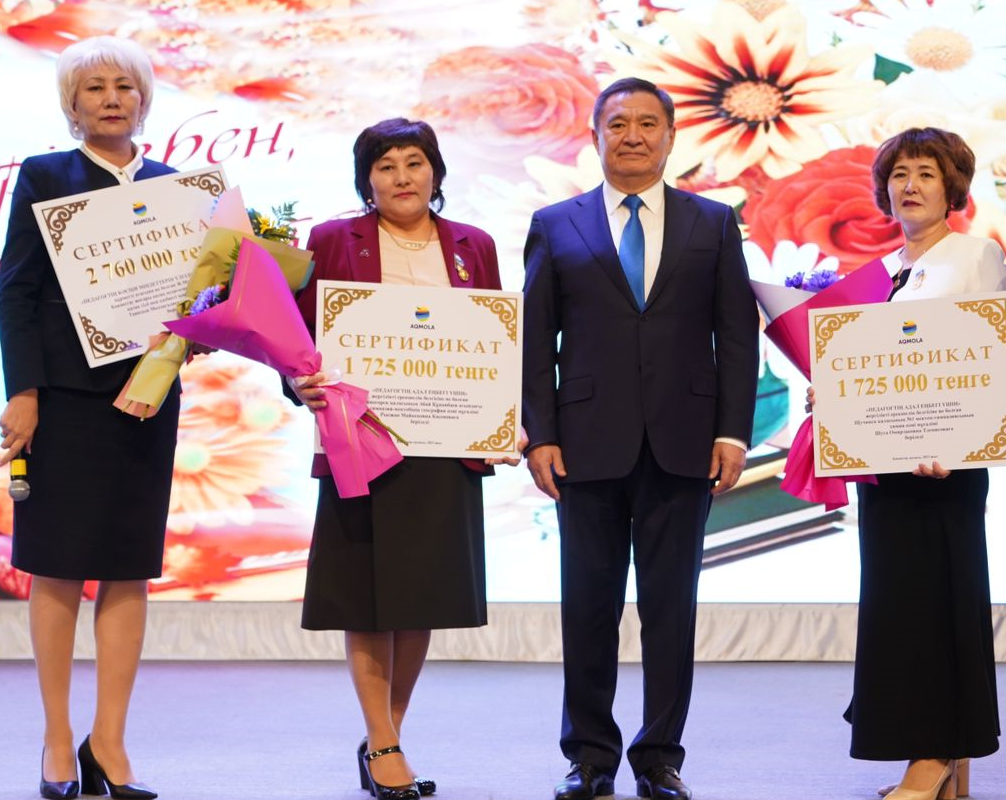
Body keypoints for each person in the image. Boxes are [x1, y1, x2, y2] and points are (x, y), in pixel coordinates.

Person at [521, 77, 759, 800]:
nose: (633, 135)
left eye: (648, 123)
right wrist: (538, 434)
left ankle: (659, 758)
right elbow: (534, 339)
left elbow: (736, 335)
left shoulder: (712, 222)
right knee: (587, 607)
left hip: (684, 442)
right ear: (594, 136)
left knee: (670, 609)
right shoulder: (554, 223)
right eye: (618, 123)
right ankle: (590, 757)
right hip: (583, 444)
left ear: (671, 136)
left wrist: (733, 431)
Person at [287, 117, 514, 800]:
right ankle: (384, 745)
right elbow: (298, 340)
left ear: (435, 172)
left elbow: (495, 343)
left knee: (420, 599)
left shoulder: (475, 245)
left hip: (446, 446)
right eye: (385, 166)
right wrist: (298, 383)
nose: (402, 177)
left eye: (414, 162)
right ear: (367, 180)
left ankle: (385, 737)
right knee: (365, 599)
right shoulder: (333, 240)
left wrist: (505, 418)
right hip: (362, 442)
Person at [0, 36, 177, 800]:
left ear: (143, 99)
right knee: (59, 566)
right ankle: (55, 740)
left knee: (129, 567)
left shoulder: (174, 188)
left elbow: (197, 298)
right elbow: (15, 288)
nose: (111, 98)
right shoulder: (46, 175)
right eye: (95, 87)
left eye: (124, 86)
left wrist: (197, 333)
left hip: (147, 399)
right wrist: (24, 390)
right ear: (72, 103)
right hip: (63, 402)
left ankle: (109, 743)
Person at [842, 127, 1002, 800]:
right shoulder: (878, 273)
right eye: (899, 174)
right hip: (885, 470)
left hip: (947, 469)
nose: (910, 185)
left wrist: (956, 441)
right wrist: (833, 390)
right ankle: (937, 758)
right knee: (897, 611)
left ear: (952, 187)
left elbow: (989, 355)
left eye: (926, 174)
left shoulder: (976, 255)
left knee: (941, 605)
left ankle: (935, 758)